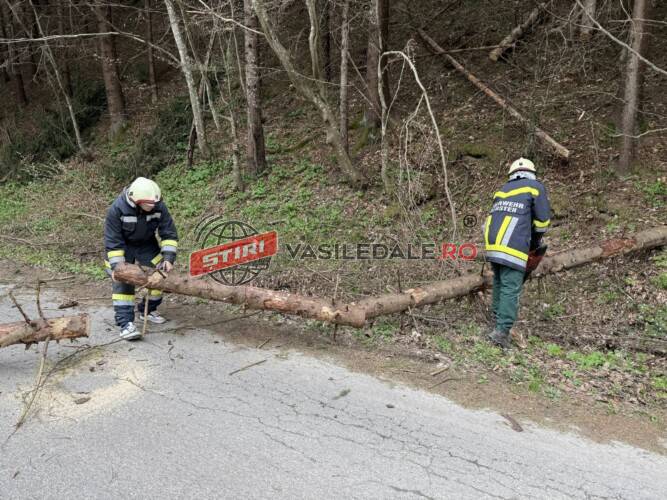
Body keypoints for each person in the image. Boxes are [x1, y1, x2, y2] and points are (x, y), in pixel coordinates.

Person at [483, 158, 551, 349]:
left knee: (499, 281)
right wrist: (534, 244)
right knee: (510, 287)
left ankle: (495, 321)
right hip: (513, 244)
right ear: (532, 173)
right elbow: (542, 221)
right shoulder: (535, 187)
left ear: (512, 174)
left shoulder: (502, 190)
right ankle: (501, 332)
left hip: (493, 243)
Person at [104, 177, 179, 340]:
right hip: (121, 248)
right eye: (149, 204)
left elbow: (169, 233)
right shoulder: (116, 209)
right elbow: (113, 242)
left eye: (155, 203)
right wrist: (117, 268)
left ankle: (148, 309)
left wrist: (168, 258)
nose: (153, 206)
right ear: (136, 201)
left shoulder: (157, 205)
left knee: (161, 274)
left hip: (146, 245)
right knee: (123, 284)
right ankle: (125, 324)